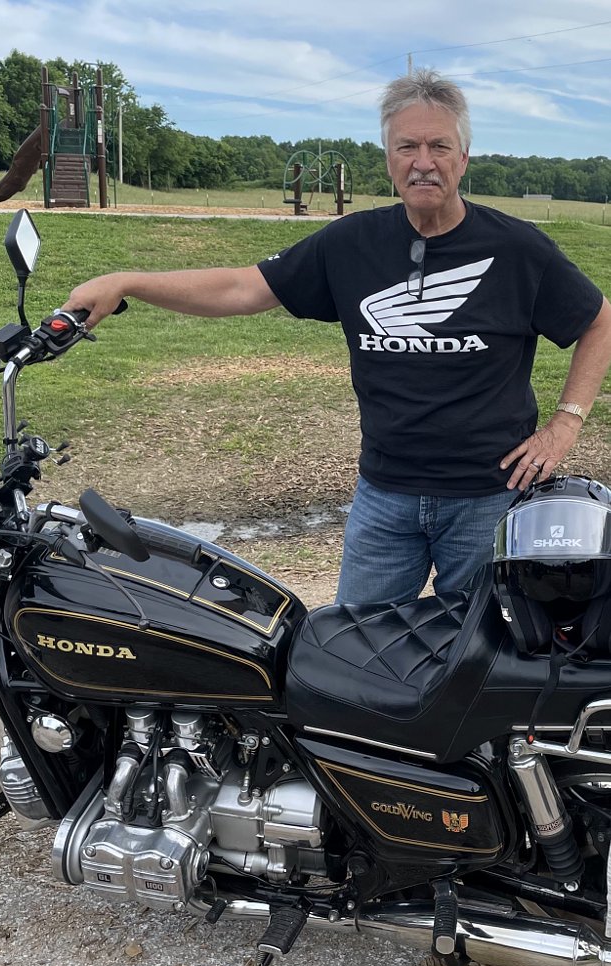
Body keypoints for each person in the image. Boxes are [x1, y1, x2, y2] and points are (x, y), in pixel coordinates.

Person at [63, 68, 611, 605]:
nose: (424, 162)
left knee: (482, 664)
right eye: (407, 148)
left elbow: (598, 320)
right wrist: (126, 281)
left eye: (440, 146)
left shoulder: (518, 249)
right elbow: (240, 288)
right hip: (385, 495)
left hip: (489, 497)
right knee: (355, 653)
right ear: (389, 160)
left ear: (463, 157)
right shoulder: (350, 244)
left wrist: (565, 424)